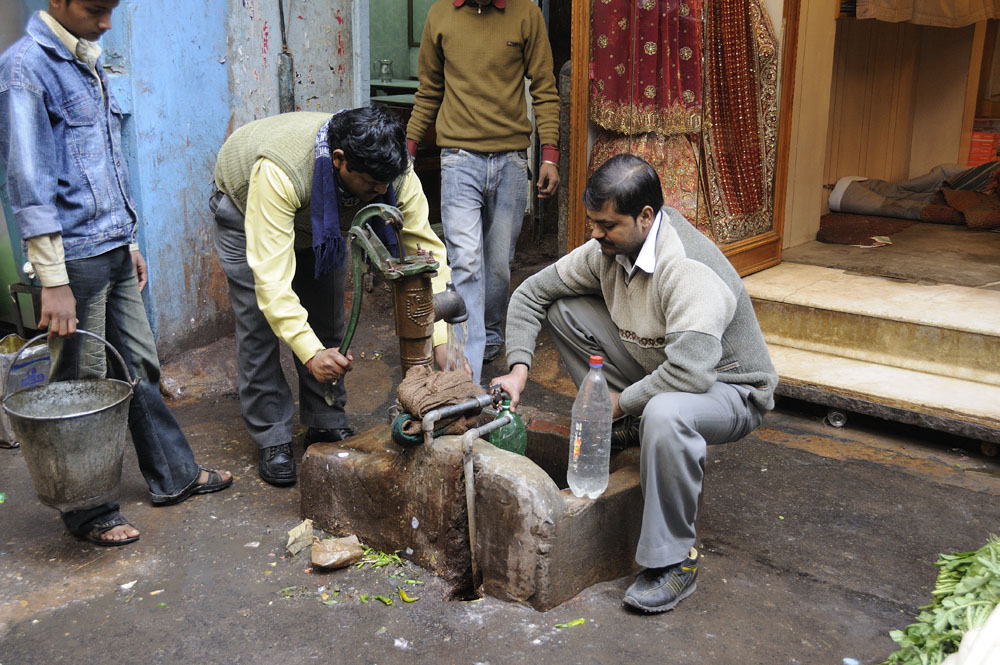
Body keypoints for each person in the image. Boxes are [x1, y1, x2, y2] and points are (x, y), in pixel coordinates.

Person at [492, 154, 778, 613]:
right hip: (662, 365)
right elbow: (531, 293)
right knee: (564, 310)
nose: (595, 234)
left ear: (646, 217)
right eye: (591, 223)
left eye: (606, 225)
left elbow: (690, 374)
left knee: (666, 412)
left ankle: (675, 562)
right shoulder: (608, 250)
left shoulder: (687, 270)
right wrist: (518, 369)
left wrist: (621, 401)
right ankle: (632, 421)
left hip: (729, 389)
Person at [0, 0, 233, 547]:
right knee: (82, 381)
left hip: (111, 245)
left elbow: (104, 160)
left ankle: (172, 475)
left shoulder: (86, 59)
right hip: (73, 258)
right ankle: (87, 510)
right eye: (95, 9)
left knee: (139, 366)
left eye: (112, 9)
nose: (106, 21)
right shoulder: (25, 69)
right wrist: (53, 280)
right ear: (57, 0)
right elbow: (27, 183)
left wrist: (129, 239)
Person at [212, 105, 454, 487]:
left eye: (385, 185)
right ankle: (272, 436)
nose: (380, 193)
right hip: (247, 216)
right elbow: (272, 282)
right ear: (339, 161)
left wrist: (439, 338)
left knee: (328, 321)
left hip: (322, 224)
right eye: (372, 186)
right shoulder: (280, 170)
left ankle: (325, 422)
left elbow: (427, 254)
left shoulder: (393, 173)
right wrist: (309, 355)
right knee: (259, 328)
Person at [406, 0, 560, 384]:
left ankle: (489, 332)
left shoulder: (526, 13)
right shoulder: (440, 14)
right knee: (466, 261)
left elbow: (544, 87)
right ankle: (465, 371)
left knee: (498, 263)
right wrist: (406, 152)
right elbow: (429, 90)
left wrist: (550, 155)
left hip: (510, 159)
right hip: (458, 159)